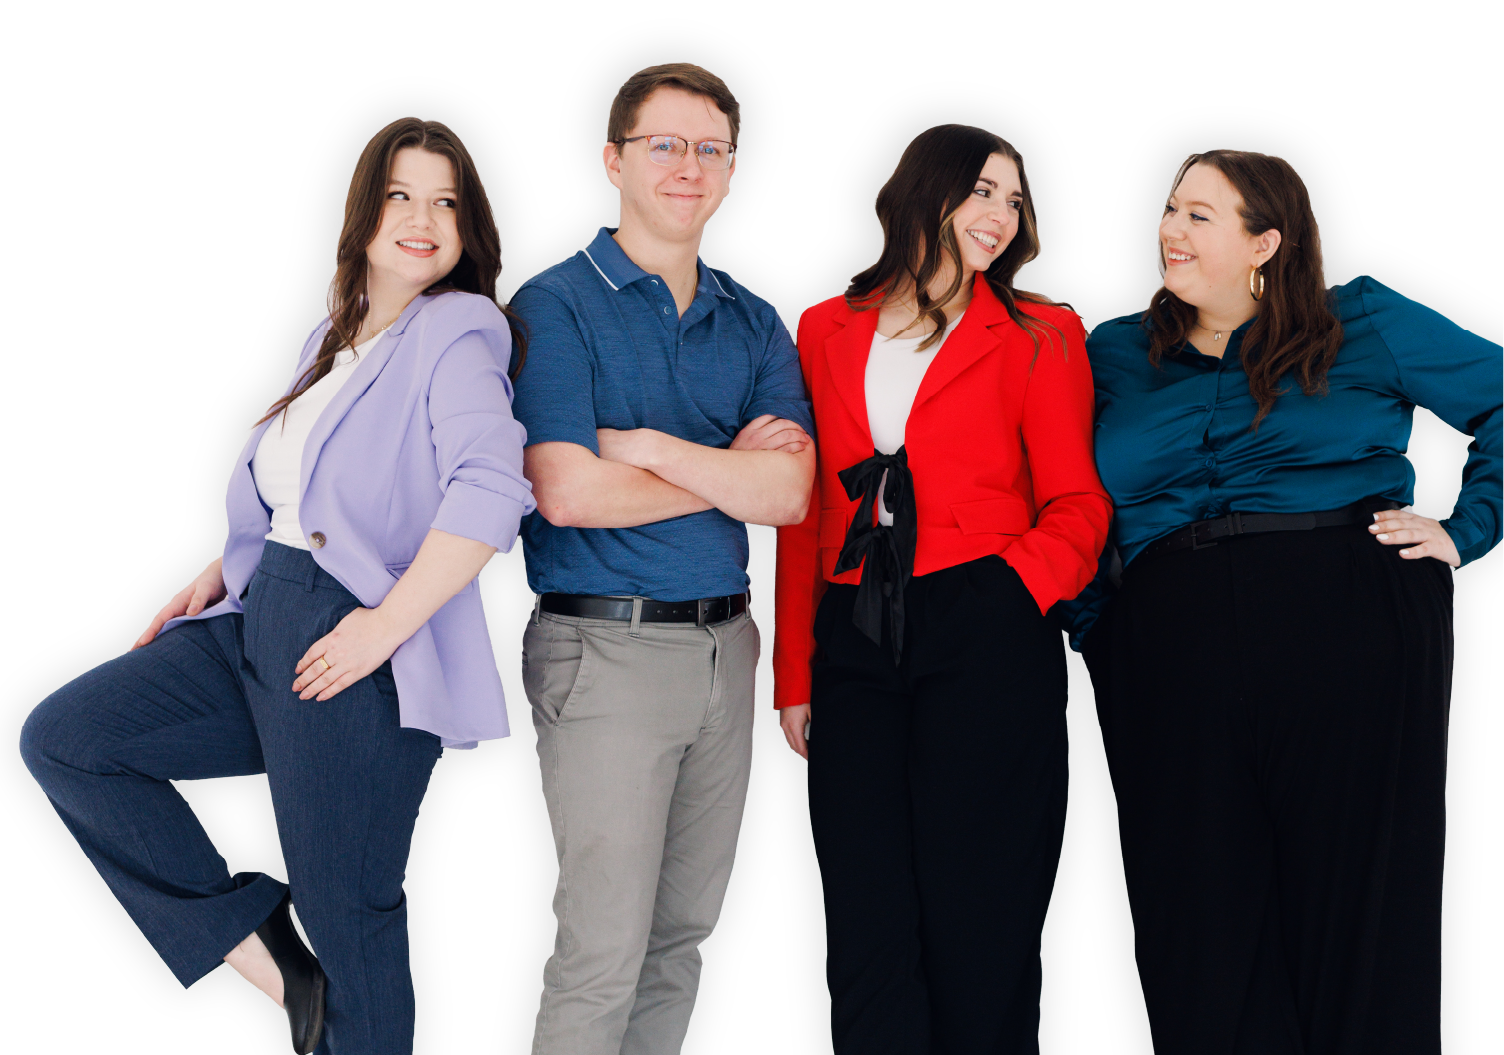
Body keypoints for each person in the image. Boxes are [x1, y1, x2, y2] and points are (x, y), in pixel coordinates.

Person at [19, 116, 534, 1055]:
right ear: (364, 213)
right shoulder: (331, 331)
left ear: (470, 228)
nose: (423, 219)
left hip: (355, 639)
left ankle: (319, 975)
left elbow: (492, 490)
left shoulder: (460, 331)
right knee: (67, 738)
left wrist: (383, 629)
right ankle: (268, 955)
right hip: (264, 614)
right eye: (400, 196)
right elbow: (304, 490)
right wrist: (220, 569)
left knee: (353, 915)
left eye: (447, 202)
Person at [1061, 148, 1504, 1054]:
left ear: (1266, 240)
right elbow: (1056, 484)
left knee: (1358, 905)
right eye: (1170, 210)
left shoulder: (1364, 320)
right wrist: (1096, 627)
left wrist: (1468, 530)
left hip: (1343, 613)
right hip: (1165, 639)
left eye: (1199, 215)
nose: (1169, 231)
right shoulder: (1112, 350)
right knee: (1195, 913)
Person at [772, 123, 1111, 1054]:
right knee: (865, 904)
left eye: (1014, 199)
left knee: (981, 910)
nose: (1001, 215)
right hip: (855, 627)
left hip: (987, 621)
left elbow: (1078, 504)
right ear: (927, 192)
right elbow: (806, 514)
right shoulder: (824, 326)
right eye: (984, 192)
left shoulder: (1044, 332)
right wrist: (795, 676)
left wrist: (1012, 589)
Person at [507, 62, 815, 1055]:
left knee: (683, 939)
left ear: (733, 172)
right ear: (613, 160)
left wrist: (649, 448)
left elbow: (792, 494)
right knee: (602, 949)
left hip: (728, 651)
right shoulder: (554, 304)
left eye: (709, 149)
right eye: (664, 145)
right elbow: (566, 490)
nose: (689, 166)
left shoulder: (755, 316)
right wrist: (731, 471)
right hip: (605, 649)